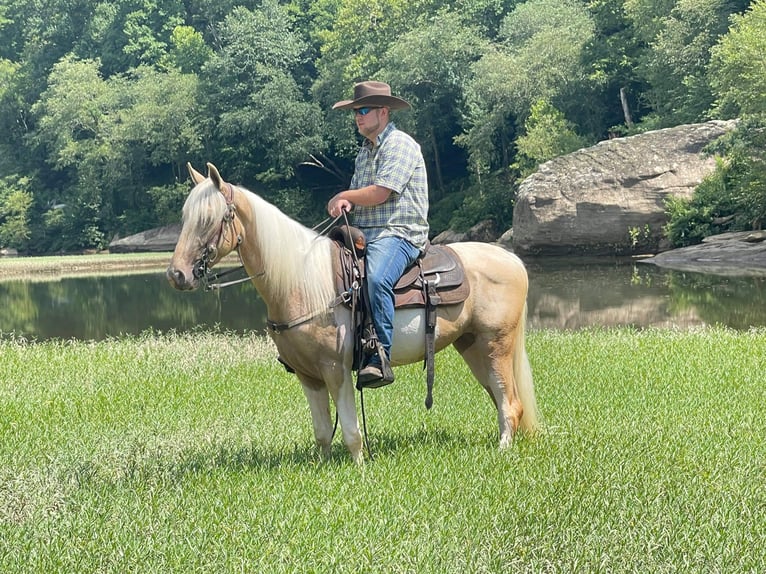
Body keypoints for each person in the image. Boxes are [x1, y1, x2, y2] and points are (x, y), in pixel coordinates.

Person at [327, 81, 430, 388]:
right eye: (356, 111)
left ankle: (379, 354)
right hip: (366, 233)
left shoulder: (400, 145)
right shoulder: (364, 152)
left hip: (399, 233)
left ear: (383, 112)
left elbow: (382, 193)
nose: (357, 116)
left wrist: (346, 193)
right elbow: (361, 194)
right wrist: (348, 201)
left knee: (376, 278)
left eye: (363, 110)